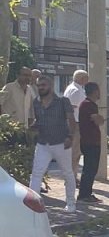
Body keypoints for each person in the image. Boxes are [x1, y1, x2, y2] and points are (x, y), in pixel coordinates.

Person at [28, 75, 77, 213]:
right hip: (43, 143)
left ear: (50, 86)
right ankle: (33, 206)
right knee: (36, 173)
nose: (40, 88)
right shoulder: (36, 102)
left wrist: (70, 136)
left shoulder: (62, 101)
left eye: (43, 85)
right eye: (38, 85)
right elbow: (38, 120)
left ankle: (71, 203)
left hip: (61, 142)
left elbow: (71, 120)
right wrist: (32, 127)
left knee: (67, 173)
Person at [77, 82, 105, 203]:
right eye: (98, 90)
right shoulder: (88, 104)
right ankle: (84, 195)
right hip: (90, 141)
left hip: (90, 140)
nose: (100, 93)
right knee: (90, 169)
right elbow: (98, 120)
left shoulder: (89, 104)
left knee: (91, 168)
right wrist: (100, 118)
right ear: (94, 91)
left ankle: (86, 193)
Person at [63, 69, 88, 174]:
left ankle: (72, 176)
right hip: (75, 124)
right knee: (74, 153)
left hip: (74, 123)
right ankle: (71, 177)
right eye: (86, 78)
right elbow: (71, 108)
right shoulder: (75, 91)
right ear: (81, 78)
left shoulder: (73, 88)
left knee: (75, 153)